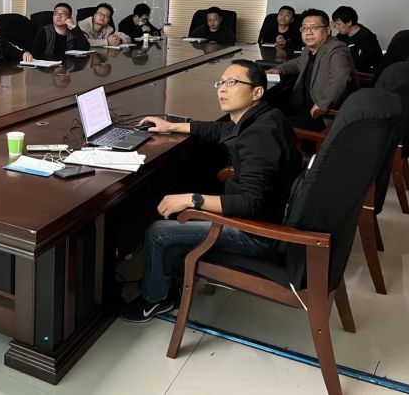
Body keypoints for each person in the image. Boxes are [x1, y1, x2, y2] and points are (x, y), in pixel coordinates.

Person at [121, 59, 301, 322]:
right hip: (268, 215)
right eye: (221, 83)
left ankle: (156, 299)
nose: (222, 89)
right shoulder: (264, 117)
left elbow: (251, 204)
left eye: (232, 83)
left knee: (157, 232)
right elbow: (221, 130)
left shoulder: (260, 136)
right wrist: (171, 126)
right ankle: (168, 275)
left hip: (257, 234)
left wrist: (192, 200)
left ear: (257, 92)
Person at [269, 8, 358, 131]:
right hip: (301, 106)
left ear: (327, 30)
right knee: (268, 114)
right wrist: (280, 69)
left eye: (314, 28)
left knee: (275, 125)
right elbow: (298, 62)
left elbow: (341, 76)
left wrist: (322, 104)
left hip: (323, 114)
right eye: (304, 28)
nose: (308, 32)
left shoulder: (337, 48)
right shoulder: (308, 49)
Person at [331, 6, 383, 74]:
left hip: (365, 75)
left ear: (349, 22)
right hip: (347, 71)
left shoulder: (367, 39)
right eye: (335, 24)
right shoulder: (342, 35)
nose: (336, 27)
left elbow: (361, 64)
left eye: (338, 24)